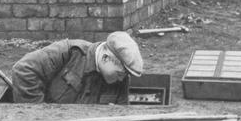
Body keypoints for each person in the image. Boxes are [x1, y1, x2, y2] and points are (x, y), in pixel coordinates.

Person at [10, 31, 143, 104]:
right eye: (120, 73)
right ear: (106, 57)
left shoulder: (120, 80)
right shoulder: (68, 52)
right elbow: (23, 70)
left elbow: (121, 114)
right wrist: (39, 113)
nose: (122, 79)